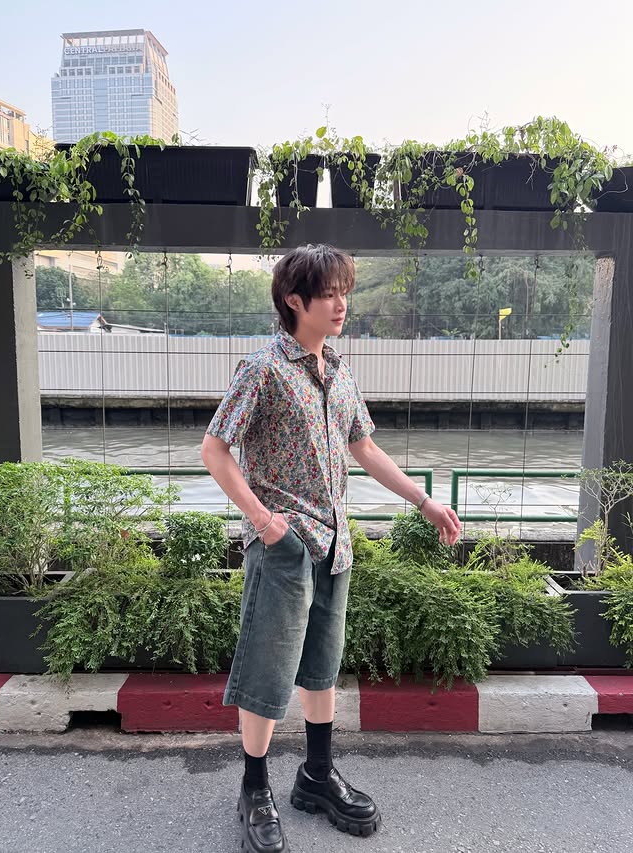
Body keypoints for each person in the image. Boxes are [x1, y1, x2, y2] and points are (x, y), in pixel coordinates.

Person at [201, 244, 461, 853]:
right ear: (295, 301)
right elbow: (215, 449)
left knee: (322, 664)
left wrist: (424, 502)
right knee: (268, 670)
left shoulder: (340, 371)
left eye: (345, 292)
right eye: (329, 294)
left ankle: (317, 775)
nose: (342, 304)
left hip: (337, 542)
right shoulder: (262, 368)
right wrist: (265, 522)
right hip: (286, 546)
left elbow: (363, 447)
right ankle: (254, 789)